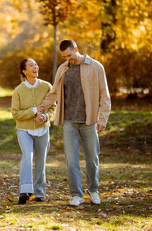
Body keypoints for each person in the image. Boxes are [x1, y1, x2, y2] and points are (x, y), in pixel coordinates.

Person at [37, 39, 111, 206]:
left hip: (89, 121)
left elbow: (104, 95)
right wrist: (40, 108)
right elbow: (54, 92)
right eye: (64, 56)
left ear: (76, 49)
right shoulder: (63, 68)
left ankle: (93, 190)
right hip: (70, 121)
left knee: (92, 159)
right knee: (71, 160)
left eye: (69, 55)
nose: (68, 59)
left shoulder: (96, 67)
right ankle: (76, 195)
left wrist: (102, 119)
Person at [11, 58, 55, 204]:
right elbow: (15, 113)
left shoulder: (47, 86)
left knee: (41, 161)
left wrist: (45, 116)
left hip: (43, 129)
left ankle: (40, 193)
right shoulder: (18, 91)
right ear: (24, 71)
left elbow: (53, 106)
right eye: (31, 65)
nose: (35, 67)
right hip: (24, 130)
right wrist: (34, 110)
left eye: (36, 64)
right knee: (27, 157)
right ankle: (25, 191)